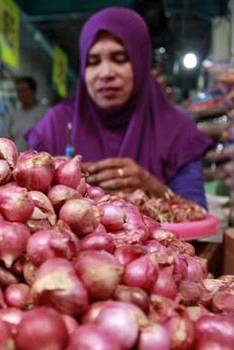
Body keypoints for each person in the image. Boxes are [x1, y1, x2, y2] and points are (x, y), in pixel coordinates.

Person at [25, 7, 212, 207]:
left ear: (141, 62)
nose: (105, 73)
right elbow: (25, 202)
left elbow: (198, 212)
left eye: (120, 58)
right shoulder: (55, 125)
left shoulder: (177, 129)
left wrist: (153, 188)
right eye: (93, 61)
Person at [7, 77, 46, 152]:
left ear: (33, 91)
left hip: (37, 160)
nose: (21, 94)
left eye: (24, 90)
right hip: (17, 160)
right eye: (18, 91)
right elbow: (9, 137)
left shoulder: (44, 112)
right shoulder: (14, 114)